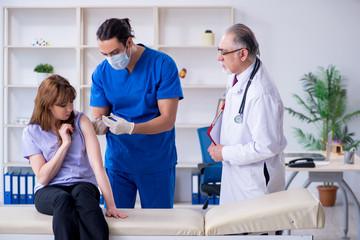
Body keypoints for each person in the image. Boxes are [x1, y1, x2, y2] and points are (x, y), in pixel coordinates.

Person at [90, 18, 183, 208]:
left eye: (115, 52)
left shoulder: (162, 65)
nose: (110, 59)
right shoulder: (101, 73)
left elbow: (167, 120)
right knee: (116, 227)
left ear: (129, 43)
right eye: (105, 54)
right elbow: (100, 117)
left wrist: (131, 128)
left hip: (156, 162)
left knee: (160, 228)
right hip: (118, 162)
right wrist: (94, 126)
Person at [22, 75, 128, 240]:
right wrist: (65, 144)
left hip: (83, 185)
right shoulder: (31, 132)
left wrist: (111, 206)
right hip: (48, 190)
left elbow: (97, 166)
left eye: (71, 101)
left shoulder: (81, 121)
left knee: (82, 196)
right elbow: (43, 177)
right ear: (47, 105)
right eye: (63, 105)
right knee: (63, 200)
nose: (69, 108)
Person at [208, 23, 287, 205]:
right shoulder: (236, 76)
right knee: (233, 228)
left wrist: (225, 152)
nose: (219, 58)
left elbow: (266, 146)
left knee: (255, 231)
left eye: (223, 52)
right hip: (236, 176)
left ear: (242, 54)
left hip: (255, 184)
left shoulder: (262, 93)